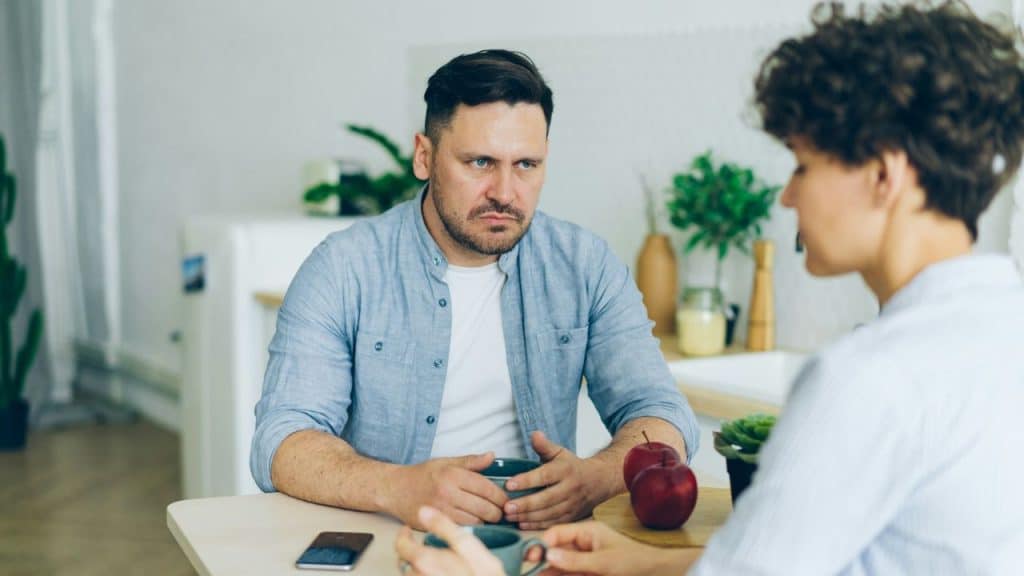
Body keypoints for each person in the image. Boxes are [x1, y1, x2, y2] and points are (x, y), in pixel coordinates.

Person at [395, 2, 1024, 574]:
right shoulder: (1002, 328)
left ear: (884, 177)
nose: (789, 194)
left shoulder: (868, 380)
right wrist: (645, 564)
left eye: (804, 164)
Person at [250, 49, 699, 531]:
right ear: (424, 157)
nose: (505, 192)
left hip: (537, 545)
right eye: (480, 161)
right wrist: (398, 486)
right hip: (394, 536)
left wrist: (598, 477)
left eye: (526, 164)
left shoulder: (585, 265)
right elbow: (282, 440)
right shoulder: (343, 268)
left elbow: (661, 413)